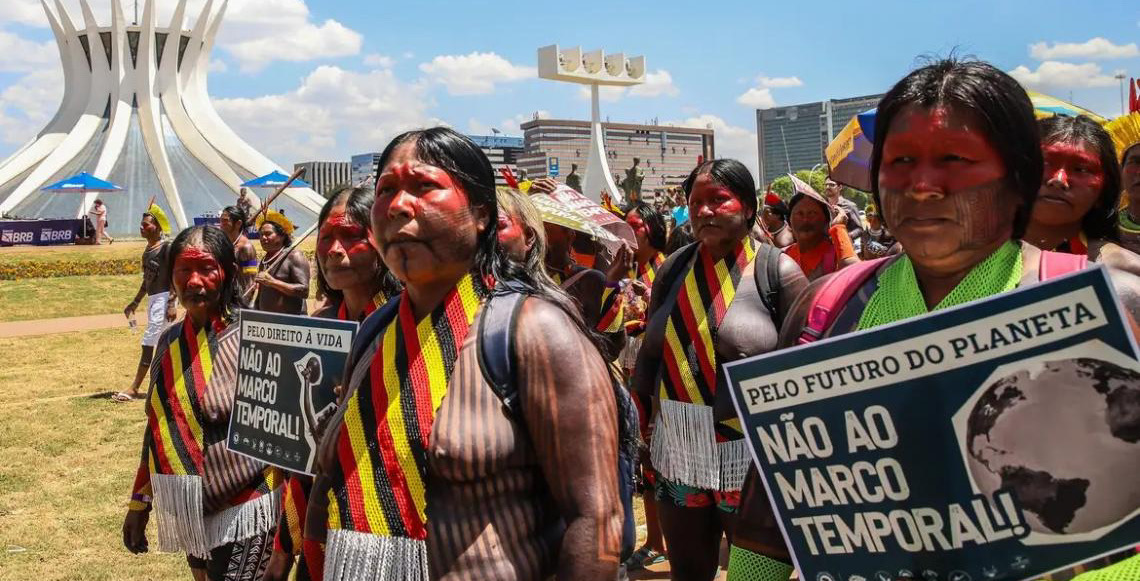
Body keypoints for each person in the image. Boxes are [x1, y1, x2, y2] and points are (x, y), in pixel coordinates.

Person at [729, 57, 1140, 581]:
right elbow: (767, 523)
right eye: (899, 161)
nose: (922, 185)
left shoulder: (1113, 306)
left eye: (955, 159)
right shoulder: (823, 308)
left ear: (1019, 179)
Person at [307, 127, 622, 580]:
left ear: (480, 215)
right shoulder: (376, 330)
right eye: (386, 190)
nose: (398, 206)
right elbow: (331, 478)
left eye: (423, 186)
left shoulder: (534, 331)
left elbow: (596, 520)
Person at [631, 158, 808, 581]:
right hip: (679, 450)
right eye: (696, 203)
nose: (705, 211)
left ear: (747, 207)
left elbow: (802, 370)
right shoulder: (673, 269)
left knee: (753, 576)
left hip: (748, 455)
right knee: (689, 572)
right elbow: (651, 354)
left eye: (719, 199)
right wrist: (640, 425)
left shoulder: (777, 271)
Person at [122, 225, 282, 581]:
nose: (194, 281)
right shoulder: (169, 343)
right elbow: (158, 428)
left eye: (206, 268)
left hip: (249, 507)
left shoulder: (257, 339)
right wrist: (139, 502)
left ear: (227, 272)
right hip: (192, 507)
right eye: (184, 270)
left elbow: (288, 437)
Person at [263, 186, 401, 581]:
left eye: (352, 236)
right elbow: (302, 460)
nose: (336, 250)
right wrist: (282, 549)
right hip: (321, 528)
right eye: (326, 238)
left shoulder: (406, 326)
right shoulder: (320, 326)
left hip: (388, 528)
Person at [619, 200, 671, 572]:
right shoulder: (624, 268)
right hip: (632, 374)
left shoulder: (669, 267)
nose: (629, 232)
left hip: (663, 378)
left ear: (652, 229)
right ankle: (655, 539)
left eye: (635, 226)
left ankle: (670, 539)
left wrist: (647, 306)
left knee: (662, 459)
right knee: (646, 462)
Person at [1025, 115, 1122, 259]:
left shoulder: (1123, 273)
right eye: (1044, 163)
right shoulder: (981, 255)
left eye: (1081, 169)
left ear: (1104, 191)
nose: (1058, 180)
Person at [114, 205, 178, 402]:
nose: (141, 227)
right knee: (164, 344)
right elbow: (147, 280)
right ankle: (168, 386)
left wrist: (172, 302)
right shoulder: (147, 251)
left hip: (164, 299)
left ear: (157, 227)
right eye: (141, 224)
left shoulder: (166, 248)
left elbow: (175, 275)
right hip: (154, 300)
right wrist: (134, 302)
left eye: (146, 224)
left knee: (149, 342)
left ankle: (135, 387)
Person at [783, 176, 859, 280]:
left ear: (826, 221)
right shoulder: (783, 257)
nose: (805, 220)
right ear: (789, 221)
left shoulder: (836, 255)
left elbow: (855, 275)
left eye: (812, 214)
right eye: (799, 214)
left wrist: (839, 229)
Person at [253, 210, 310, 315]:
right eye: (261, 234)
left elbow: (304, 291)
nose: (263, 238)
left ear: (281, 236)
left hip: (291, 322)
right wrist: (255, 310)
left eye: (268, 234)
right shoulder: (265, 260)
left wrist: (273, 282)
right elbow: (262, 292)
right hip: (267, 322)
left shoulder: (294, 256)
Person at [218, 205, 258, 307]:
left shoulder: (246, 248)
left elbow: (250, 281)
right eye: (221, 220)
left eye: (225, 221)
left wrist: (242, 306)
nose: (221, 225)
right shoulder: (223, 243)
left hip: (238, 302)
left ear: (238, 224)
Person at [823, 177, 862, 244]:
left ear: (840, 187)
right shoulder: (822, 206)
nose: (827, 187)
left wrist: (847, 236)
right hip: (825, 249)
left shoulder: (850, 206)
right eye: (826, 185)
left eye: (831, 185)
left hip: (844, 247)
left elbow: (859, 229)